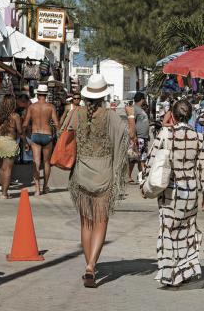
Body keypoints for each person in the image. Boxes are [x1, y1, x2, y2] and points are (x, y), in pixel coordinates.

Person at [68, 74, 129, 288]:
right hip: (103, 171)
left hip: (82, 172)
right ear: (104, 95)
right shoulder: (111, 116)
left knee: (86, 222)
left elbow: (66, 136)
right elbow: (123, 138)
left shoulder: (77, 114)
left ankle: (89, 264)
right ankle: (91, 265)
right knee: (101, 221)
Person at [147, 99, 204, 289]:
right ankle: (185, 270)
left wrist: (144, 185)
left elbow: (151, 161)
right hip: (190, 189)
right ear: (191, 116)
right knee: (187, 230)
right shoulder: (198, 137)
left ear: (172, 115)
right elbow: (203, 168)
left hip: (169, 190)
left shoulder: (165, 134)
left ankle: (170, 272)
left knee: (168, 231)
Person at [23, 84, 59, 195]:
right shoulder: (50, 107)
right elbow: (57, 124)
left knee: (36, 162)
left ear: (38, 95)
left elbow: (25, 123)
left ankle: (37, 189)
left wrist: (24, 137)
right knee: (47, 162)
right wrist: (57, 134)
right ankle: (45, 186)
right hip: (47, 135)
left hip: (35, 135)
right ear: (46, 95)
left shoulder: (32, 107)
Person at [127, 93, 150, 184]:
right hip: (138, 137)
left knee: (142, 158)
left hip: (143, 137)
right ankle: (128, 176)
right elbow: (132, 123)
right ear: (142, 99)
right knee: (134, 158)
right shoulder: (134, 109)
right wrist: (134, 137)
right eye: (144, 99)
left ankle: (141, 176)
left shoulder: (140, 109)